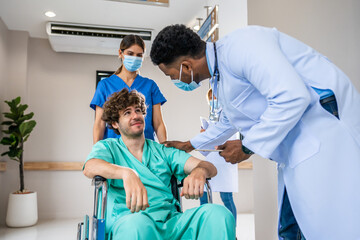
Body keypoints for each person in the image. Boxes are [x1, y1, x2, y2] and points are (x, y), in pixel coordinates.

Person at [150, 24, 360, 239]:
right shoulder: (220, 76)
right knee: (291, 227)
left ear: (186, 66)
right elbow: (228, 122)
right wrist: (189, 144)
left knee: (329, 224)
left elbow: (292, 96)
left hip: (323, 134)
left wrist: (247, 147)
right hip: (296, 148)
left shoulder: (242, 45)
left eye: (171, 75)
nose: (175, 80)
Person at [83, 88, 236, 240]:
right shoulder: (108, 148)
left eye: (138, 110)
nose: (135, 116)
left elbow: (209, 167)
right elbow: (90, 167)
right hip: (130, 222)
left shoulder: (163, 151)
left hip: (171, 222)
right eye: (127, 113)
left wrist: (199, 172)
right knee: (137, 225)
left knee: (219, 215)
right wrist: (126, 173)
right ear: (115, 123)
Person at [91, 34, 167, 144]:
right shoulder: (105, 85)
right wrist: (96, 153)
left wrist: (165, 152)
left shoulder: (150, 85)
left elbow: (158, 123)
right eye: (130, 54)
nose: (134, 58)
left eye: (139, 55)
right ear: (120, 53)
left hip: (145, 149)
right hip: (115, 149)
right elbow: (99, 124)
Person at [199, 89, 238, 223]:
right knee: (204, 195)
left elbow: (228, 137)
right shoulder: (211, 119)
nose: (213, 101)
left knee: (226, 197)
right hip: (211, 161)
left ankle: (232, 230)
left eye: (215, 97)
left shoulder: (230, 116)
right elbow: (204, 149)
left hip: (224, 162)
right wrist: (203, 135)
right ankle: (205, 227)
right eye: (210, 99)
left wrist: (209, 135)